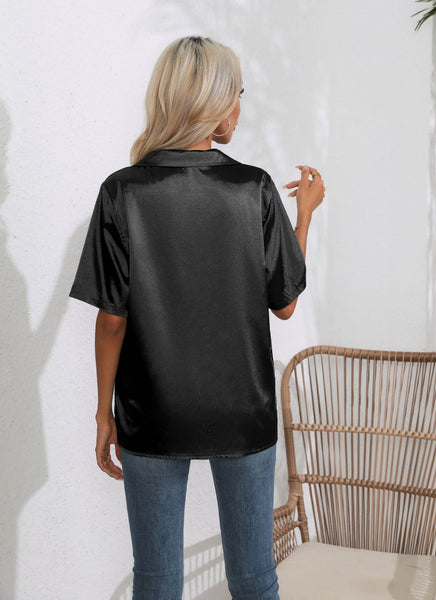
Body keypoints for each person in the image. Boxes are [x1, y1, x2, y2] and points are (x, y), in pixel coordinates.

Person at [69, 36, 324, 600]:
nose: (239, 106)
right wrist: (304, 216)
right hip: (243, 409)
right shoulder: (254, 188)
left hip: (152, 410)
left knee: (157, 580)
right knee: (254, 578)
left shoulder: (121, 192)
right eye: (237, 93)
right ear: (213, 101)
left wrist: (104, 413)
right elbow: (284, 304)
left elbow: (111, 321)